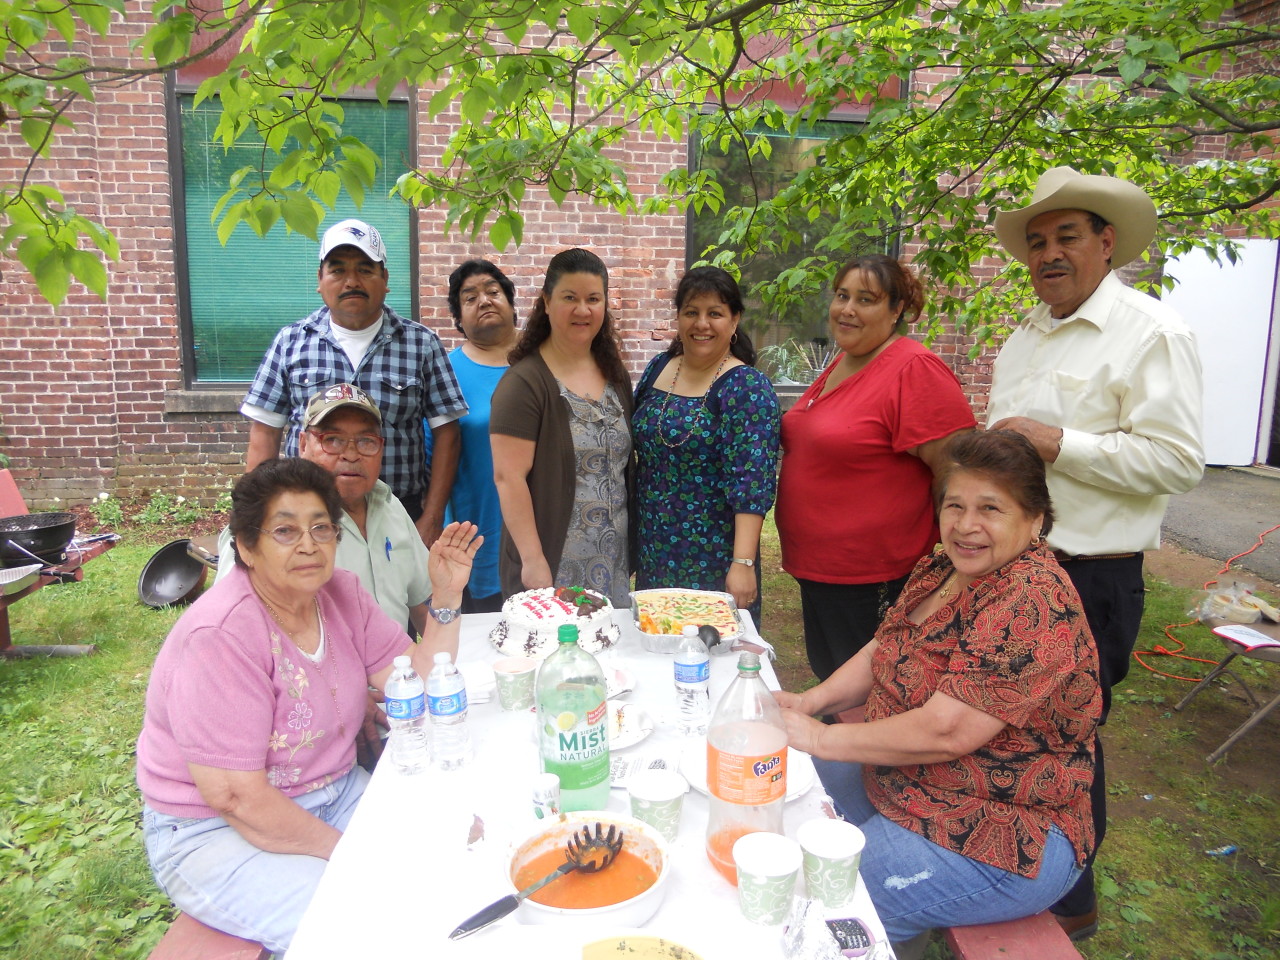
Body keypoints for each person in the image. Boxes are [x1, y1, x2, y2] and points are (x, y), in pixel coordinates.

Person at [774, 430, 1101, 957]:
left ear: (1036, 518)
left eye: (990, 508)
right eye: (955, 505)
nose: (966, 526)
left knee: (821, 896)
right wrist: (809, 705)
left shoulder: (1032, 601)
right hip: (913, 782)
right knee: (782, 792)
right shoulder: (945, 567)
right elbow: (882, 649)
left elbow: (947, 730)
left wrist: (817, 736)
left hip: (1004, 828)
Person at [137, 458, 480, 952]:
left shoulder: (341, 595)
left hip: (333, 792)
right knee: (351, 925)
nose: (308, 544)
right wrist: (349, 857)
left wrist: (446, 596)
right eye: (285, 530)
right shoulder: (220, 635)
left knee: (445, 863)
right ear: (247, 547)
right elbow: (236, 797)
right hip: (211, 829)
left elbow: (419, 683)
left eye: (322, 528)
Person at [986, 166, 1205, 938]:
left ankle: (1073, 899)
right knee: (1007, 727)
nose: (1048, 253)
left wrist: (1059, 442)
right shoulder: (1025, 335)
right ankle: (1014, 867)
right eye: (1037, 241)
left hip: (1092, 574)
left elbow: (1178, 461)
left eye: (1067, 237)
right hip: (1014, 570)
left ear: (1106, 243)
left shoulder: (1154, 333)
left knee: (1067, 735)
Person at [774, 254, 976, 682]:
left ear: (896, 309)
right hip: (822, 572)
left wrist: (959, 560)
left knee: (866, 694)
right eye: (842, 295)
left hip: (873, 578)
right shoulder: (843, 361)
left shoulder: (911, 368)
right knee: (833, 679)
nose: (847, 309)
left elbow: (958, 472)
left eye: (866, 299)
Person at [240, 218, 468, 547]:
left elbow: (448, 435)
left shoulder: (422, 344)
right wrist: (258, 517)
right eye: (338, 270)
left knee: (400, 599)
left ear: (385, 279)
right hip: (308, 515)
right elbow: (265, 432)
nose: (351, 282)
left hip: (398, 513)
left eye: (365, 269)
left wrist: (431, 519)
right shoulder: (290, 343)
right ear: (320, 280)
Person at [217, 383, 433, 634]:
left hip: (396, 667)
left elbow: (421, 603)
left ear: (381, 449)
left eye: (366, 441)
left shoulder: (390, 506)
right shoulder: (268, 522)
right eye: (333, 440)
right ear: (303, 445)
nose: (351, 455)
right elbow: (233, 628)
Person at [632, 266, 780, 622]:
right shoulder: (659, 367)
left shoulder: (745, 387)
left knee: (707, 656)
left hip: (714, 554)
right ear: (679, 318)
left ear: (734, 321)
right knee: (655, 647)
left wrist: (742, 563)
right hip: (654, 547)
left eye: (715, 313)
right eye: (691, 312)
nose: (702, 323)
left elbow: (752, 483)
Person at [490, 248, 633, 606]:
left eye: (593, 299)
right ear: (547, 303)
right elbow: (509, 478)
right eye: (570, 297)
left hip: (611, 563)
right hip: (552, 566)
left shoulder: (616, 378)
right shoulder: (525, 383)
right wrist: (533, 559)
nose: (582, 310)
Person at [444, 259, 520, 612]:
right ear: (458, 318)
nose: (485, 300)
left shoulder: (546, 363)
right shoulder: (445, 371)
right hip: (481, 536)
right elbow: (436, 466)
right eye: (469, 297)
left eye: (493, 291)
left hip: (551, 531)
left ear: (511, 303)